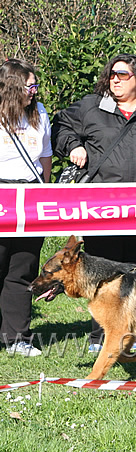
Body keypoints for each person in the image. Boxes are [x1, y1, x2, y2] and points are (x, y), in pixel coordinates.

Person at [52, 53, 136, 352]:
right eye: (113, 74)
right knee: (101, 273)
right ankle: (98, 338)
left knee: (134, 272)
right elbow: (59, 126)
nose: (115, 79)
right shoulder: (91, 106)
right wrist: (74, 145)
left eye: (123, 75)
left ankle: (127, 335)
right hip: (100, 208)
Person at [0, 59, 52, 357]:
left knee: (23, 265)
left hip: (31, 195)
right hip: (1, 191)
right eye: (29, 85)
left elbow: (45, 155)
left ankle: (17, 336)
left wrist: (44, 190)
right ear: (12, 87)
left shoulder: (39, 112)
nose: (34, 91)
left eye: (35, 85)